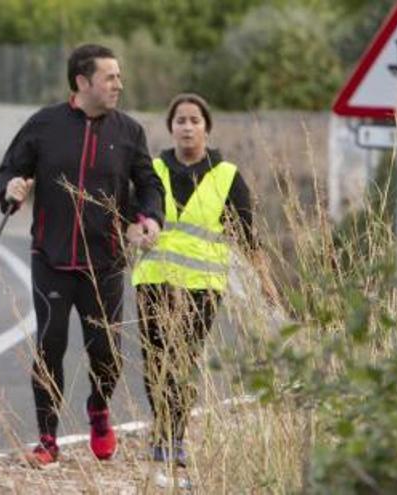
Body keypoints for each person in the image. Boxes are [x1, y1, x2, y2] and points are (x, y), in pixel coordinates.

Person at [0, 43, 164, 465]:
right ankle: (47, 438)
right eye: (111, 78)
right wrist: (11, 189)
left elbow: (148, 184)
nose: (119, 85)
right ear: (82, 82)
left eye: (119, 77)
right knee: (50, 346)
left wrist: (149, 218)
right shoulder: (45, 124)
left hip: (104, 262)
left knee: (106, 355)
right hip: (51, 258)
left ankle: (98, 408)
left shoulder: (129, 132)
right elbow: (12, 169)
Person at [129, 93, 262, 467]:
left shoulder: (227, 176)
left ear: (207, 128)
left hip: (203, 286)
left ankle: (176, 437)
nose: (187, 127)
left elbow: (249, 236)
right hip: (154, 279)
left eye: (194, 120)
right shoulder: (151, 170)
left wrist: (266, 287)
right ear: (171, 128)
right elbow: (127, 217)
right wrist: (134, 233)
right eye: (180, 121)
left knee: (183, 359)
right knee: (155, 358)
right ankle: (161, 430)